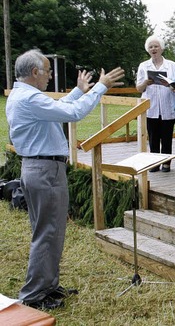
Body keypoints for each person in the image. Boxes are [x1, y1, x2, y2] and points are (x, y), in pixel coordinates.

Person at [7, 49, 124, 310]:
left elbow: (60, 108)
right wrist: (100, 88)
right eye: (48, 71)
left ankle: (47, 286)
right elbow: (72, 114)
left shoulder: (26, 95)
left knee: (51, 231)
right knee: (47, 232)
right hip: (44, 170)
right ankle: (35, 294)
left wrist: (79, 90)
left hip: (41, 168)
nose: (50, 76)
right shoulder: (29, 99)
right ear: (35, 72)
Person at [135, 35, 175, 173]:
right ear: (148, 50)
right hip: (151, 106)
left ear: (162, 48)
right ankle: (154, 162)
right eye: (151, 47)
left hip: (167, 105)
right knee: (153, 137)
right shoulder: (143, 66)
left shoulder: (171, 65)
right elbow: (138, 88)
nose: (153, 49)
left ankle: (166, 163)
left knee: (166, 136)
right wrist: (145, 82)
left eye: (156, 46)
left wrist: (169, 84)